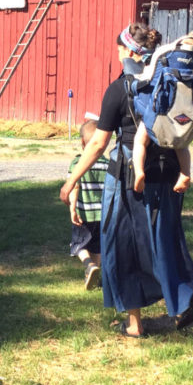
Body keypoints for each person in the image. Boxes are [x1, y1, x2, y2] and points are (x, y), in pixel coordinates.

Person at [60, 22, 193, 338]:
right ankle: (181, 304)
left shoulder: (119, 88)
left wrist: (71, 179)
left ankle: (135, 323)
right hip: (168, 176)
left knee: (125, 248)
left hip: (129, 180)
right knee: (166, 242)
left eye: (118, 50)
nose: (117, 55)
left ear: (129, 51)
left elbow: (99, 143)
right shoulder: (167, 83)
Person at [130, 33, 193, 194]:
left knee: (140, 141)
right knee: (182, 145)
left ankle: (139, 171)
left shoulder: (164, 53)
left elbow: (148, 79)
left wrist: (135, 82)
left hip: (159, 111)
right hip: (183, 114)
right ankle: (185, 173)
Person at [67, 119, 109, 290]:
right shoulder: (107, 164)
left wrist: (72, 207)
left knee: (79, 245)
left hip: (84, 214)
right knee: (97, 246)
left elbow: (74, 186)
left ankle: (89, 265)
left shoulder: (77, 163)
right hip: (102, 215)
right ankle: (96, 274)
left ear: (83, 142)